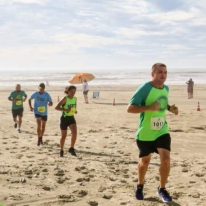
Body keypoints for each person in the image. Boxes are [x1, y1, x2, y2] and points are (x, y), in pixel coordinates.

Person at [127, 63, 178, 203]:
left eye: (165, 72)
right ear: (153, 74)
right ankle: (140, 185)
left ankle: (162, 188)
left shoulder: (166, 88)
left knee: (166, 160)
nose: (163, 75)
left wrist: (170, 108)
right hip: (146, 132)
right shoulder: (145, 88)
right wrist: (149, 107)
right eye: (160, 72)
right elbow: (130, 108)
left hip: (162, 130)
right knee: (145, 161)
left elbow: (161, 104)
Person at [55, 85, 78, 157]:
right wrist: (65, 110)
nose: (73, 93)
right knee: (64, 136)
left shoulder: (75, 99)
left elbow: (73, 107)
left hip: (71, 117)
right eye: (71, 92)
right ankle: (61, 150)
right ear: (68, 91)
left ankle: (72, 148)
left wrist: (75, 111)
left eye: (74, 92)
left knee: (74, 133)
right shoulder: (65, 99)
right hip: (64, 118)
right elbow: (56, 107)